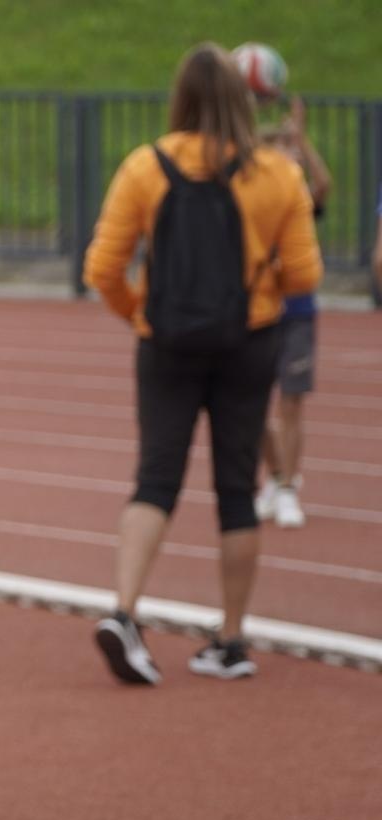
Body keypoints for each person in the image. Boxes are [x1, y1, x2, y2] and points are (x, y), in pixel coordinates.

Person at [84, 43, 320, 684]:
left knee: (156, 477)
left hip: (166, 342)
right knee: (238, 490)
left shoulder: (146, 168)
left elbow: (101, 269)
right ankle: (232, 638)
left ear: (179, 96)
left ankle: (126, 614)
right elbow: (305, 273)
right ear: (246, 100)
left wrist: (143, 310)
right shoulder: (277, 174)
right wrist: (255, 286)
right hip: (249, 340)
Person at [253, 96, 330, 529]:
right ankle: (277, 475)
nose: (289, 152)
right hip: (257, 310)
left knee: (292, 402)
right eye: (281, 145)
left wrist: (303, 140)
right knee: (255, 406)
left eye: (292, 146)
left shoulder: (298, 195)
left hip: (297, 311)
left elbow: (324, 186)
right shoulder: (254, 193)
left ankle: (286, 488)